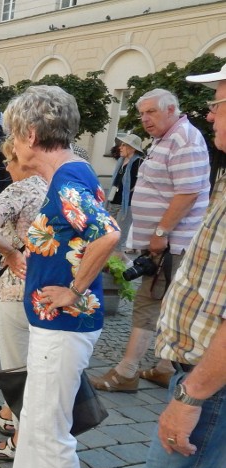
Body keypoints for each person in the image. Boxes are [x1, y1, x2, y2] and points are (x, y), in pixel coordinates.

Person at [102, 63, 226, 468]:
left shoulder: (191, 147)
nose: (212, 111)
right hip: (203, 372)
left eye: (221, 99)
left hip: (212, 381)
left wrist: (194, 391)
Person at [0, 85, 119, 468]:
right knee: (35, 419)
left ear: (32, 133)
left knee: (49, 427)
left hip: (64, 325)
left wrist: (75, 289)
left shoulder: (67, 183)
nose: (12, 146)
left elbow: (107, 234)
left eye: (14, 136)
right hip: (53, 324)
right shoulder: (72, 173)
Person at [91, 89, 209, 393]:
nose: (144, 119)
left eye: (151, 112)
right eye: (141, 113)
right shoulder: (167, 139)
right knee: (167, 305)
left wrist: (160, 233)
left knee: (148, 303)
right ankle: (164, 367)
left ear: (171, 109)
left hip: (172, 246)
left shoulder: (184, 139)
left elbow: (188, 192)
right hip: (167, 244)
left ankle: (126, 372)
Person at [0, 139, 48, 460]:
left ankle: (19, 437)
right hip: (51, 288)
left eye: (9, 161)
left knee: (17, 368)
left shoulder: (20, 190)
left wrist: (10, 251)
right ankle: (10, 415)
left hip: (18, 286)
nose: (5, 167)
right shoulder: (63, 184)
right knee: (37, 363)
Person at [106, 132, 144, 252]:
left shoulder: (139, 163)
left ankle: (117, 264)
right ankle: (109, 261)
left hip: (125, 205)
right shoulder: (120, 161)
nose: (120, 148)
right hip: (113, 201)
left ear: (132, 148)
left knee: (118, 237)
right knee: (108, 233)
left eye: (124, 145)